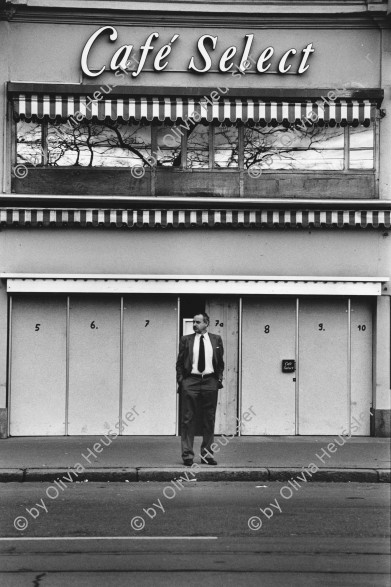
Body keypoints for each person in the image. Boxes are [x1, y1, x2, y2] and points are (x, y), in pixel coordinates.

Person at [176, 313, 224, 467]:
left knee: (209, 419)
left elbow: (220, 362)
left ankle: (207, 455)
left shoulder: (216, 339)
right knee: (187, 419)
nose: (194, 324)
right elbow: (179, 362)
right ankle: (187, 455)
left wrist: (218, 379)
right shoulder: (186, 340)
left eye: (198, 322)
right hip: (191, 381)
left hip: (210, 381)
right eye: (193, 322)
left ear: (206, 323)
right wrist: (182, 381)